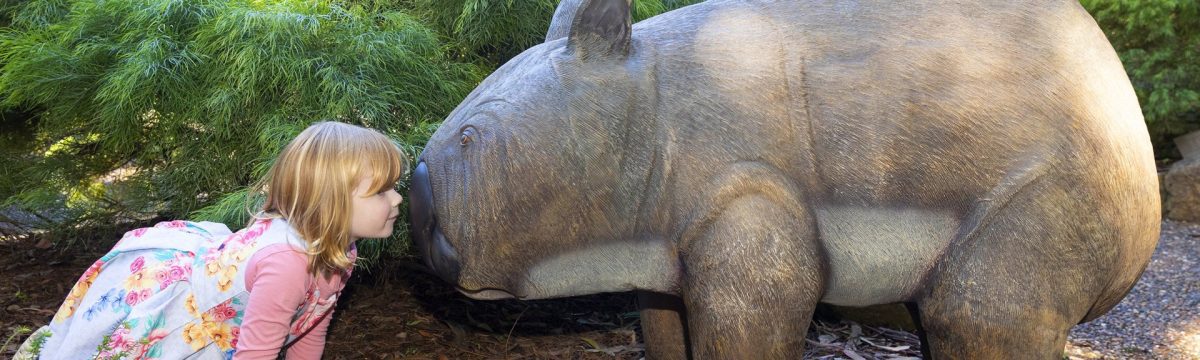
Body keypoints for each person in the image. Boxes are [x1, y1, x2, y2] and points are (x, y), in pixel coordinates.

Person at [15, 121, 406, 359]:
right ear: (330, 201)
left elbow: (312, 325)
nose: (398, 198)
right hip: (190, 325)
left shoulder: (339, 247)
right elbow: (257, 354)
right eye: (382, 191)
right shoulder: (288, 263)